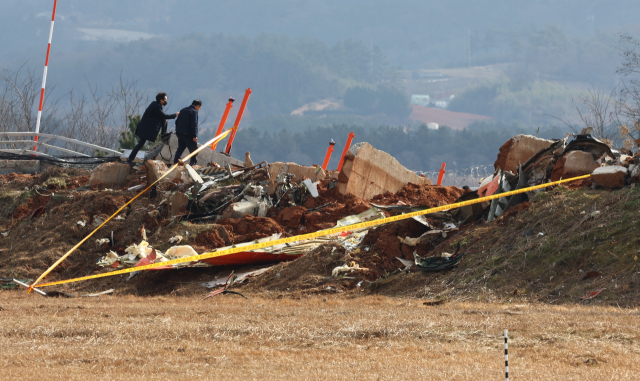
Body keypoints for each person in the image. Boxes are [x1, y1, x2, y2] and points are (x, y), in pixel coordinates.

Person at [126, 92, 179, 165]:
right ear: (161, 100)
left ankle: (130, 159)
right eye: (165, 100)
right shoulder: (156, 106)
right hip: (145, 128)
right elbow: (164, 116)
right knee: (140, 144)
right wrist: (175, 115)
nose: (166, 101)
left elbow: (162, 117)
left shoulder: (156, 105)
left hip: (145, 127)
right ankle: (130, 159)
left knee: (141, 143)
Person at [174, 100, 202, 166]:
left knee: (180, 149)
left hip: (180, 133)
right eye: (199, 108)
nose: (199, 109)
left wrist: (178, 132)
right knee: (194, 151)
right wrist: (195, 136)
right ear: (198, 106)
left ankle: (176, 163)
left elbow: (176, 122)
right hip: (188, 135)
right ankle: (193, 165)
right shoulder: (194, 112)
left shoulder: (183, 110)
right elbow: (194, 124)